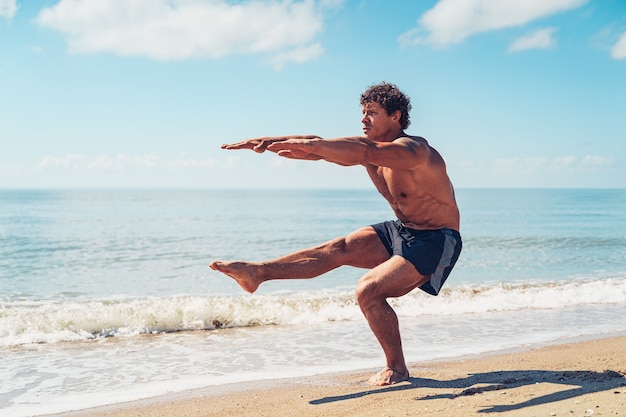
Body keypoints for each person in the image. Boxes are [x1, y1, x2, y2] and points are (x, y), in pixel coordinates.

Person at [210, 82, 461, 386]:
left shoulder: (414, 151)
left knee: (369, 290)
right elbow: (326, 147)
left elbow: (358, 150)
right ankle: (258, 273)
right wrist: (270, 142)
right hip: (404, 230)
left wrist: (314, 147)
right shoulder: (370, 150)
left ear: (395, 116)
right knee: (339, 247)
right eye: (363, 112)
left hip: (437, 238)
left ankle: (397, 368)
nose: (363, 119)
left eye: (372, 112)